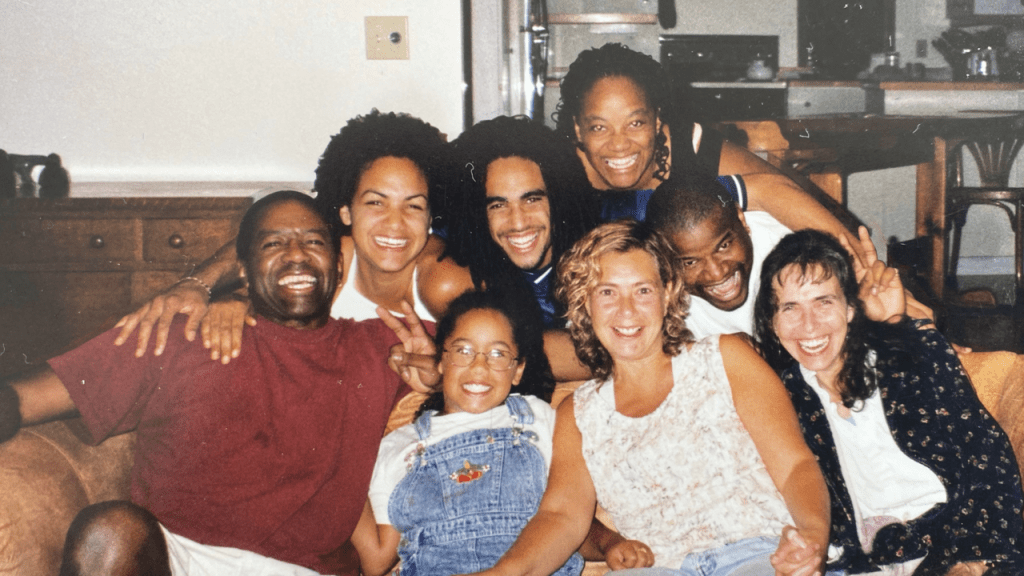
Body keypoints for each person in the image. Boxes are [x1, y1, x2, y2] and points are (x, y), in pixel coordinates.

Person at [0, 190, 437, 575]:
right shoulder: (179, 336)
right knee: (109, 534)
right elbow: (21, 399)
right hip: (179, 558)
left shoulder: (381, 345)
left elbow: (475, 353)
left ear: (339, 267)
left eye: (313, 241)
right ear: (242, 270)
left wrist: (438, 371)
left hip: (303, 569)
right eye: (273, 243)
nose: (296, 255)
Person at [462, 219, 831, 576]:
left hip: (759, 555)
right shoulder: (579, 413)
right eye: (607, 292)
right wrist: (503, 573)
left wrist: (812, 536)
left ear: (667, 294)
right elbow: (561, 516)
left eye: (643, 291)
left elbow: (794, 466)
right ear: (584, 302)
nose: (627, 310)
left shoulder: (726, 358)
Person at [752, 229, 1024, 576]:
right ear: (772, 321)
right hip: (864, 562)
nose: (809, 325)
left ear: (851, 308)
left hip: (953, 545)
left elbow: (989, 465)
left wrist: (971, 563)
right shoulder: (782, 396)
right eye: (790, 307)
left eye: (824, 302)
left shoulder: (911, 357)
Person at [353, 289, 619, 575]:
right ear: (440, 359)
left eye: (498, 354)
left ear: (518, 370)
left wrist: (609, 543)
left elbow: (565, 517)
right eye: (463, 351)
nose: (479, 366)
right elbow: (376, 560)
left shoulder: (537, 418)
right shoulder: (398, 445)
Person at [554, 42, 860, 246]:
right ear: (578, 129)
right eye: (599, 127)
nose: (619, 144)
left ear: (657, 120)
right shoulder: (559, 174)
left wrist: (862, 268)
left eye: (635, 123)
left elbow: (777, 192)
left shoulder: (694, 150)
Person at [444, 115, 601, 329]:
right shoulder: (464, 272)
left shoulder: (602, 263)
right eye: (498, 205)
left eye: (532, 200)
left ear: (560, 198)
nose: (518, 223)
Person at [646, 171, 791, 340]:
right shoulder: (671, 311)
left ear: (741, 220)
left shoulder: (786, 242)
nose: (717, 273)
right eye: (690, 263)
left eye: (723, 246)